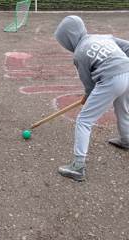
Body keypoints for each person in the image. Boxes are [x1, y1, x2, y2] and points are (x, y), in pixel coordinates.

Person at [54, 15, 129, 181]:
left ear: (69, 39)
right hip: (127, 72)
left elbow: (89, 85)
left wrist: (86, 98)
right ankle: (126, 140)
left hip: (112, 79)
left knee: (84, 120)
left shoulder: (79, 54)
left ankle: (78, 167)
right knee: (123, 110)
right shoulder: (102, 36)